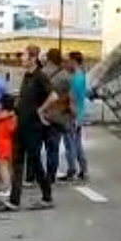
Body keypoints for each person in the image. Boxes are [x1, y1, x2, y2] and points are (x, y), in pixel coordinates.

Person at [0, 45, 58, 212]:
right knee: (17, 163)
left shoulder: (40, 76)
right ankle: (14, 200)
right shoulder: (27, 76)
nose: (21, 59)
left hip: (32, 126)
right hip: (21, 126)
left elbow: (53, 96)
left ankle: (47, 196)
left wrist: (41, 110)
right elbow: (24, 99)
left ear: (33, 58)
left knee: (35, 162)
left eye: (24, 56)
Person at [42, 48, 72, 183]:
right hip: (58, 114)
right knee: (53, 147)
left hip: (42, 113)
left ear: (48, 58)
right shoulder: (66, 76)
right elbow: (70, 97)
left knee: (37, 146)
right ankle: (51, 175)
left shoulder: (41, 74)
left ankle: (33, 175)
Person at [69, 51, 89, 182]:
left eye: (69, 61)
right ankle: (83, 169)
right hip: (80, 113)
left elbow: (72, 98)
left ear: (74, 61)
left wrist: (73, 114)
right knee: (77, 142)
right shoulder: (82, 76)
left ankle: (76, 169)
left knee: (73, 143)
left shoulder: (76, 78)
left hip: (74, 113)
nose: (68, 63)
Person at [0, 97, 17, 199]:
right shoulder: (14, 116)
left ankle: (7, 188)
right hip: (10, 142)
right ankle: (10, 186)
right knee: (9, 167)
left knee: (2, 167)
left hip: (1, 143)